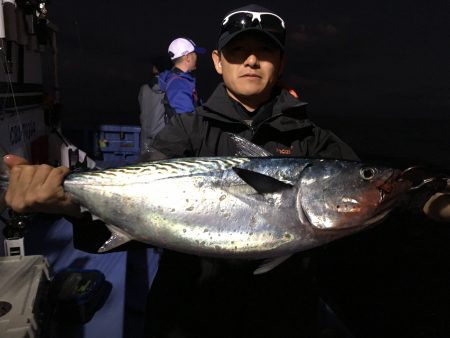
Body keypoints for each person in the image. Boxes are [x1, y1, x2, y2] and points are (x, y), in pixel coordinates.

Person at [3, 4, 450, 338]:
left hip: (283, 319)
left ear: (280, 65)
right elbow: (121, 210)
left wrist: (428, 202)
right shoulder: (184, 131)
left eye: (263, 52)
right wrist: (67, 203)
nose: (251, 61)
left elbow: (376, 191)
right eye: (238, 52)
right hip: (186, 315)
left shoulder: (317, 142)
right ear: (218, 63)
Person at [158, 37, 205, 114]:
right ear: (188, 57)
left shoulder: (179, 80)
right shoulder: (178, 85)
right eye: (195, 53)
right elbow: (188, 122)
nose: (197, 57)